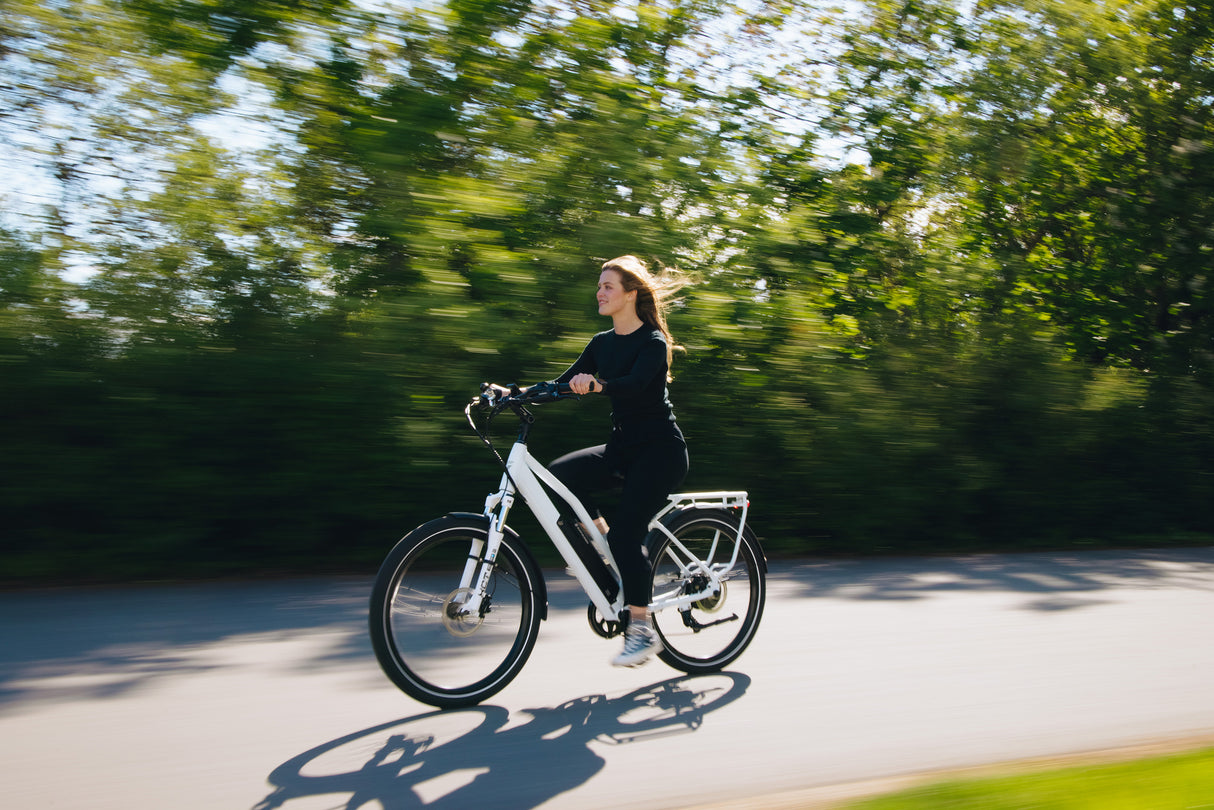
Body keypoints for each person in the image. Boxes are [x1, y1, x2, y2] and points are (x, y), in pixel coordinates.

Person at [545, 255, 690, 668]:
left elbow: (632, 387)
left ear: (631, 294)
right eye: (599, 285)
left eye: (608, 286)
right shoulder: (600, 343)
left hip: (660, 453)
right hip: (622, 449)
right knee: (561, 477)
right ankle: (607, 550)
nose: (600, 292)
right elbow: (562, 385)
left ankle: (641, 630)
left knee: (627, 537)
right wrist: (513, 393)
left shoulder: (653, 343)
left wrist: (599, 384)